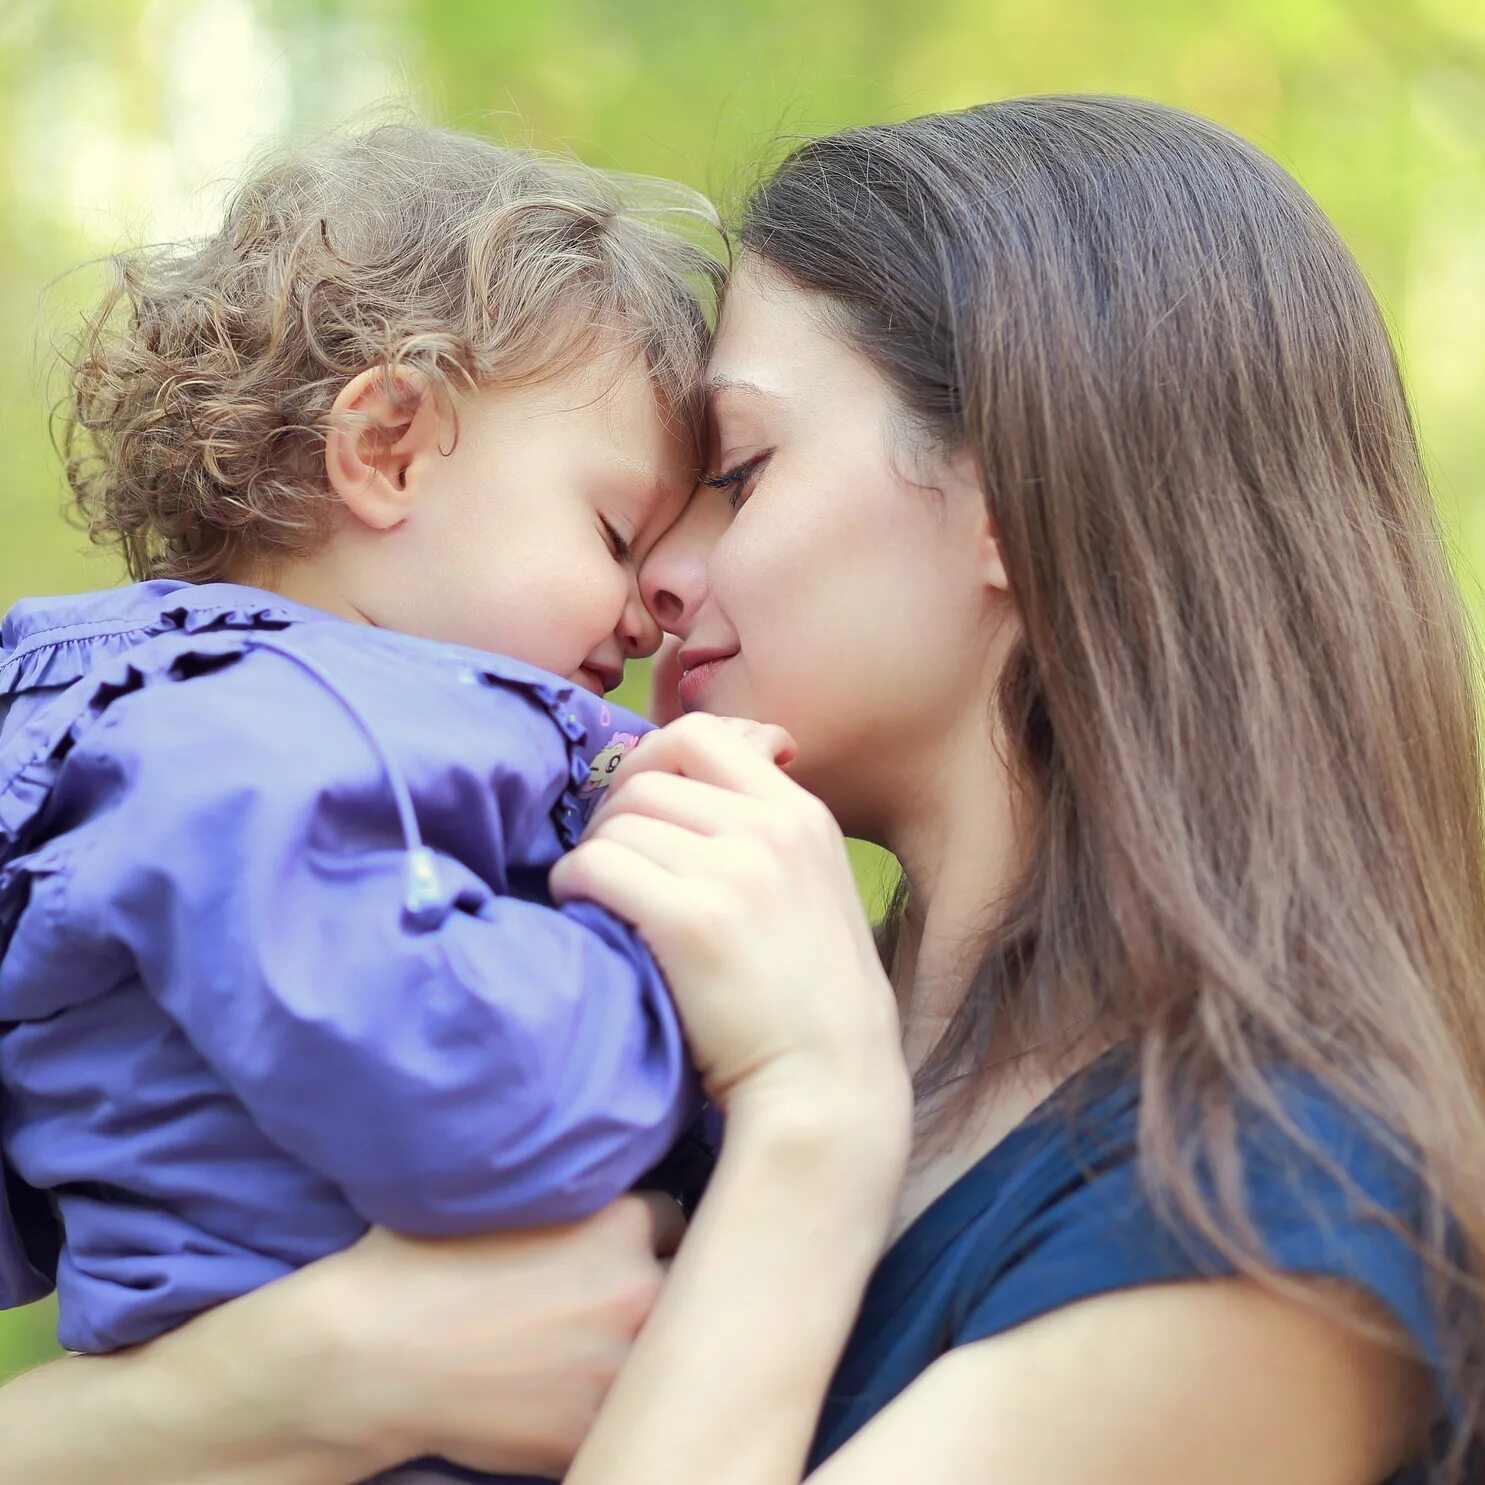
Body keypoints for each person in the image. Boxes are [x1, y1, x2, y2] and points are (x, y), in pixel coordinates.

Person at [5, 93, 1485, 1484]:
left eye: (740, 467)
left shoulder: (1279, 1220)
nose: (655, 580)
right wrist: (297, 1377)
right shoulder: (694, 1013)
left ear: (1013, 505)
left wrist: (814, 1122)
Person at [0, 121, 736, 1482]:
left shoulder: (163, 739)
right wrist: (692, 976)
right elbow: (476, 1103)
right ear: (387, 447)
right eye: (614, 535)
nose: (645, 615)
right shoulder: (263, 737)